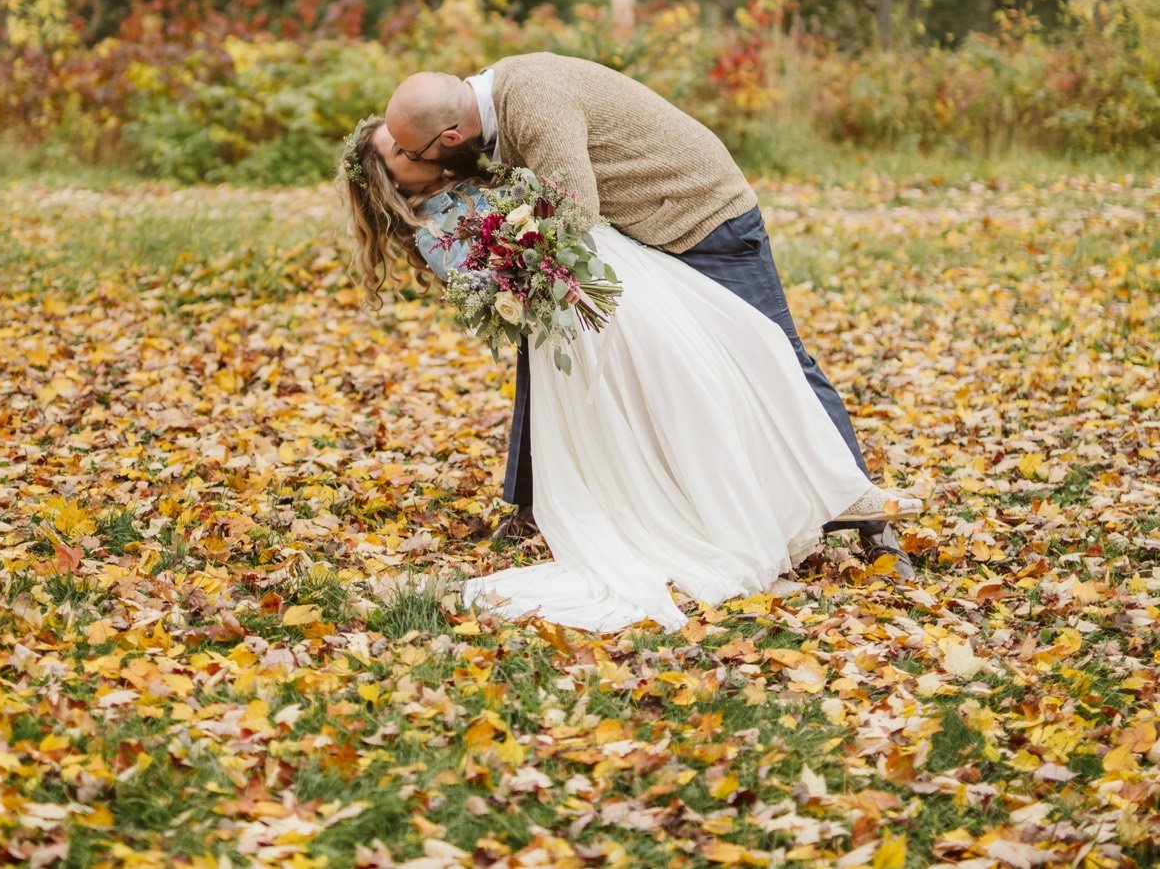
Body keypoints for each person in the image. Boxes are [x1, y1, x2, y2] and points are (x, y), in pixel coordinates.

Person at [337, 115, 922, 631]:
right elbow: (497, 282)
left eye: (409, 142)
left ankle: (825, 496)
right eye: (400, 155)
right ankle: (684, 505)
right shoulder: (434, 227)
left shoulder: (474, 161)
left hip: (623, 271)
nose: (416, 152)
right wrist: (533, 248)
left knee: (740, 356)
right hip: (578, 307)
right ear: (389, 182)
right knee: (670, 389)